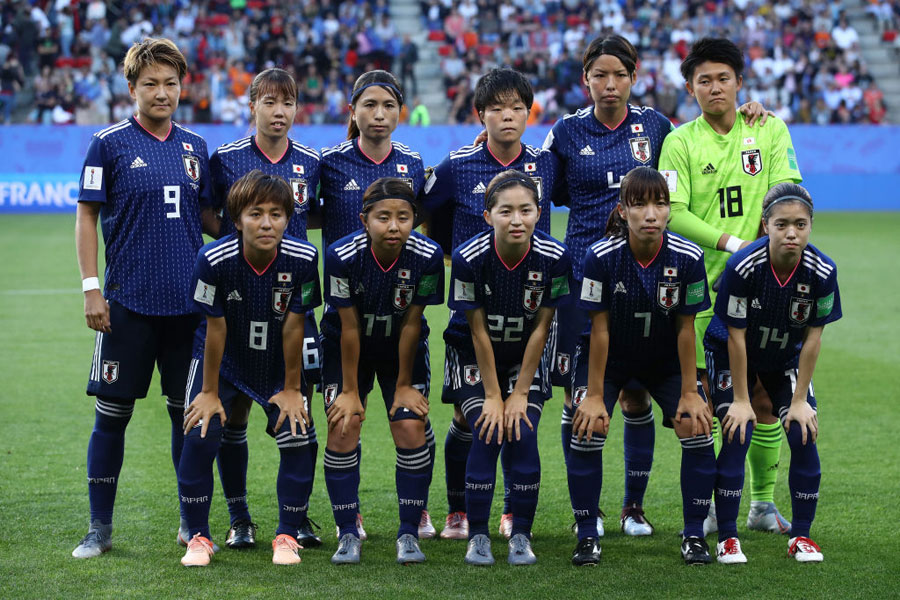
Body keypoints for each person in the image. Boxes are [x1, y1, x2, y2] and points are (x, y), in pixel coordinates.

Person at [72, 38, 216, 559]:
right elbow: (87, 215)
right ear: (132, 88)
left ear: (183, 88)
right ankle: (98, 528)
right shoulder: (106, 144)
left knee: (189, 417)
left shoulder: (196, 147)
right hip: (126, 305)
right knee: (111, 416)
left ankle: (189, 523)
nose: (162, 93)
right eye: (151, 84)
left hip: (189, 310)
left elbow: (210, 220)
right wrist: (92, 288)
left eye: (171, 84)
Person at [659, 37, 803, 535]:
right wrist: (732, 242)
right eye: (704, 80)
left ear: (740, 82)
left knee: (763, 401)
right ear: (689, 88)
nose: (715, 87)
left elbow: (789, 192)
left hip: (764, 292)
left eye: (724, 78)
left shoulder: (769, 128)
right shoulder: (678, 142)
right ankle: (707, 514)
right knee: (705, 407)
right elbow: (672, 212)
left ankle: (761, 505)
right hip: (699, 292)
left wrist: (761, 249)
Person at [420, 67, 558, 540]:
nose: (507, 116)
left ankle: (507, 511)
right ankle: (459, 510)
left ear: (528, 112)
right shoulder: (457, 166)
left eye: (516, 107)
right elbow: (425, 212)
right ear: (480, 115)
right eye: (496, 108)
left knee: (518, 419)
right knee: (469, 416)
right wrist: (448, 256)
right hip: (473, 313)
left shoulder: (545, 164)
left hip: (529, 312)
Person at [566, 166, 715, 566]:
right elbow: (598, 331)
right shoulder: (600, 257)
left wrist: (689, 391)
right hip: (609, 360)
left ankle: (695, 534)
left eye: (660, 203)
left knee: (697, 426)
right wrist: (595, 395)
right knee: (588, 426)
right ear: (623, 211)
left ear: (669, 210)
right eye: (640, 204)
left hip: (664, 361)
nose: (651, 213)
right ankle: (585, 533)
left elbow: (687, 330)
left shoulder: (688, 258)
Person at [178, 170, 321, 567]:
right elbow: (213, 328)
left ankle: (287, 536)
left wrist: (293, 389)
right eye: (255, 213)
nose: (266, 223)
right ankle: (199, 537)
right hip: (222, 361)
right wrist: (208, 393)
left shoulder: (305, 258)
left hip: (278, 361)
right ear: (236, 218)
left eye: (276, 214)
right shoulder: (213, 258)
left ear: (288, 219)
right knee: (201, 431)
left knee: (298, 432)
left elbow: (295, 324)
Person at [206, 67, 323, 550]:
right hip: (238, 304)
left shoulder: (312, 162)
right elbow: (209, 213)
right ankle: (239, 518)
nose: (279, 112)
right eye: (270, 102)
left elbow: (318, 214)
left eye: (288, 103)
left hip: (295, 305)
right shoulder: (226, 159)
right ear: (251, 104)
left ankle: (296, 518)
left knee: (298, 411)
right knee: (232, 417)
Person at [318, 70, 433, 539]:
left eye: (388, 105)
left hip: (400, 311)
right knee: (346, 420)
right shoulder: (329, 163)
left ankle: (417, 510)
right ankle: (352, 517)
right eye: (369, 105)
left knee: (409, 423)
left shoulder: (413, 162)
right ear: (353, 111)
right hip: (346, 314)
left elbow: (422, 229)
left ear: (399, 112)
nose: (379, 114)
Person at [704, 183, 841, 564]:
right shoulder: (743, 266)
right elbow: (735, 335)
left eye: (800, 224)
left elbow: (813, 339)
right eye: (782, 224)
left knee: (802, 431)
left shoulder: (823, 271)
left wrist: (799, 402)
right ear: (766, 225)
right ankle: (728, 538)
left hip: (785, 360)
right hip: (732, 352)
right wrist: (743, 402)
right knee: (737, 428)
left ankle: (802, 536)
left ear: (811, 225)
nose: (791, 233)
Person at [445, 170, 572, 566]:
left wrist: (519, 394)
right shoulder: (469, 257)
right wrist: (493, 395)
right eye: (506, 211)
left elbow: (543, 327)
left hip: (524, 355)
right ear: (488, 216)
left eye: (526, 210)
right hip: (471, 351)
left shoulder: (555, 257)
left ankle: (520, 534)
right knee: (486, 428)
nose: (516, 219)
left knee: (523, 432)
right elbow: (478, 332)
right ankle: (478, 536)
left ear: (539, 213)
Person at [321, 178, 444, 565]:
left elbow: (413, 323)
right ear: (364, 219)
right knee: (344, 423)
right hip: (346, 345)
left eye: (404, 218)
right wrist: (350, 390)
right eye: (383, 218)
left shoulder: (427, 255)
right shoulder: (342, 255)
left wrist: (404, 385)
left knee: (409, 425)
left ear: (415, 219)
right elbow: (349, 327)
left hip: (399, 347)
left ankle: (409, 532)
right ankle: (346, 532)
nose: (394, 226)